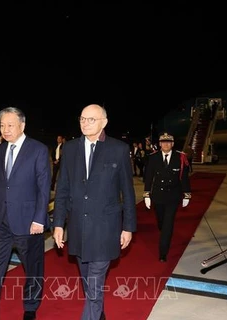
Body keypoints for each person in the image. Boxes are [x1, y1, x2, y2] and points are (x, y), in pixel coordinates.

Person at [53, 104, 137, 320]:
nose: (85, 123)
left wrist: (128, 227)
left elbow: (127, 192)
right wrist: (58, 224)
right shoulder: (70, 149)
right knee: (87, 281)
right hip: (78, 228)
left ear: (104, 122)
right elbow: (62, 189)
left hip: (105, 229)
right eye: (82, 118)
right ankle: (98, 314)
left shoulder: (118, 149)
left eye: (91, 119)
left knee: (94, 282)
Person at [0, 107, 51, 320]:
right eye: (2, 125)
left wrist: (39, 218)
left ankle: (30, 307)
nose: (5, 129)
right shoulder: (0, 150)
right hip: (2, 221)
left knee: (32, 268)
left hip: (29, 222)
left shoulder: (38, 150)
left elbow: (43, 187)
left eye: (10, 125)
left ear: (22, 125)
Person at [143, 133, 191, 262]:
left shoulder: (180, 157)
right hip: (158, 195)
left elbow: (184, 178)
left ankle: (163, 253)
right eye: (163, 142)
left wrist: (186, 194)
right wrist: (147, 194)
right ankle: (163, 229)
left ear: (172, 144)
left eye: (168, 142)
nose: (166, 144)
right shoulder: (153, 158)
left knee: (168, 225)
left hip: (173, 196)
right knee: (161, 221)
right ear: (159, 144)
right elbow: (149, 177)